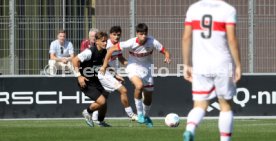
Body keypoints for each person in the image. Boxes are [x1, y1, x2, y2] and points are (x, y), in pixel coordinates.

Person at [182, 0, 241, 141]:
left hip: (200, 63)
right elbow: (232, 39)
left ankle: (190, 128)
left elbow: (186, 38)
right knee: (225, 105)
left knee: (200, 104)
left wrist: (186, 64)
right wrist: (238, 64)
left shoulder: (193, 8)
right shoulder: (228, 9)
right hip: (222, 62)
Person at [100, 23, 171, 128]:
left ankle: (146, 116)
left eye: (145, 34)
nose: (144, 36)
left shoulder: (153, 42)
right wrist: (105, 65)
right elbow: (111, 50)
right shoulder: (131, 42)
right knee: (139, 86)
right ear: (137, 33)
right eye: (141, 34)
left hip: (147, 69)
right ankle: (140, 114)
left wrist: (167, 56)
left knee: (148, 96)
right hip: (132, 66)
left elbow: (165, 51)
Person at [92, 26, 137, 125]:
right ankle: (131, 115)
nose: (116, 37)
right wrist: (115, 74)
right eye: (114, 35)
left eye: (118, 35)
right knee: (123, 90)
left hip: (109, 73)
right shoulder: (106, 45)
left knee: (103, 97)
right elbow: (103, 61)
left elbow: (120, 57)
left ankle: (94, 117)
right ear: (110, 35)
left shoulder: (118, 45)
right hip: (104, 73)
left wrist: (131, 64)